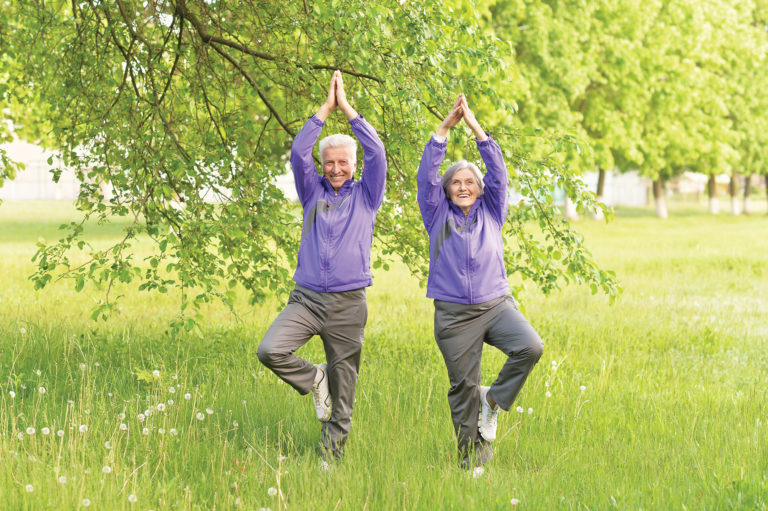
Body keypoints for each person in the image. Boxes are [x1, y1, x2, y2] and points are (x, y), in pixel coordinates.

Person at [257, 70, 386, 462]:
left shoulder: (367, 194)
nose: (335, 169)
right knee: (270, 349)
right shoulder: (311, 190)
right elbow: (299, 153)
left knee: (344, 393)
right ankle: (316, 378)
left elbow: (377, 152)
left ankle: (329, 460)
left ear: (353, 164)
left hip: (349, 304)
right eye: (329, 162)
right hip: (308, 298)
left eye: (343, 162)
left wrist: (347, 109)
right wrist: (324, 109)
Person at [417, 94, 543, 468]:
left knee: (530, 347)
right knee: (462, 390)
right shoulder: (436, 214)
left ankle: (494, 401)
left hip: (495, 305)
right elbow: (426, 176)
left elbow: (499, 171)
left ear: (480, 187)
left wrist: (474, 126)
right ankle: (474, 463)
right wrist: (443, 130)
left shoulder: (492, 210)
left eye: (470, 181)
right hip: (454, 314)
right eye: (455, 182)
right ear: (447, 189)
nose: (463, 186)